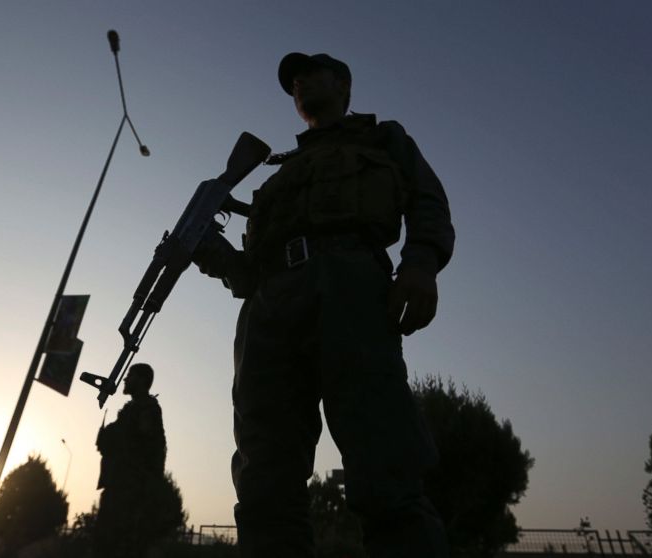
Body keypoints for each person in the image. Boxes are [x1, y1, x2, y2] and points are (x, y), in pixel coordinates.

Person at [192, 52, 455, 557]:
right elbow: (248, 276)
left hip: (351, 288)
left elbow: (428, 199)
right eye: (293, 81)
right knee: (264, 478)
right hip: (270, 311)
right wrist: (213, 254)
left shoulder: (383, 139)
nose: (299, 83)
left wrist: (421, 263)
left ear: (343, 85)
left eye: (311, 72)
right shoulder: (273, 177)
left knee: (385, 465)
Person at [92, 363, 169, 557]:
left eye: (130, 376)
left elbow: (142, 447)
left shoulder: (146, 409)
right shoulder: (132, 410)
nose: (125, 379)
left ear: (142, 380)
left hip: (130, 492)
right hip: (120, 488)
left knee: (120, 546)